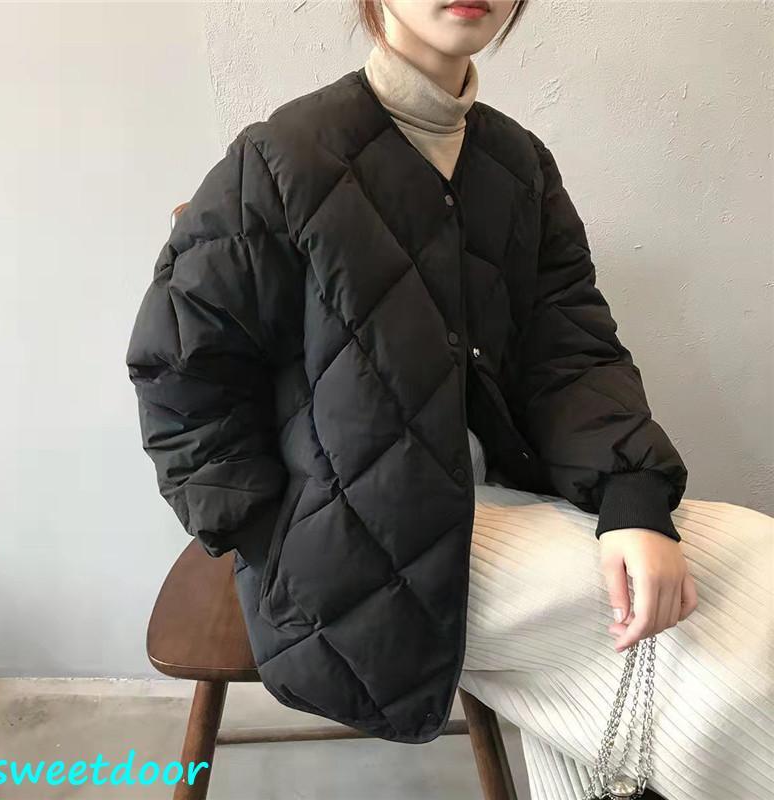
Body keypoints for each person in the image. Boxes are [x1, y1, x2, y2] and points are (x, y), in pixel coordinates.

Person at [126, 2, 773, 798]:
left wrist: (631, 498)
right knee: (731, 618)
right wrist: (271, 535)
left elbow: (569, 352)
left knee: (738, 572)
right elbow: (182, 370)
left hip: (513, 503)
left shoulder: (519, 165)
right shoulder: (283, 157)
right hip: (348, 543)